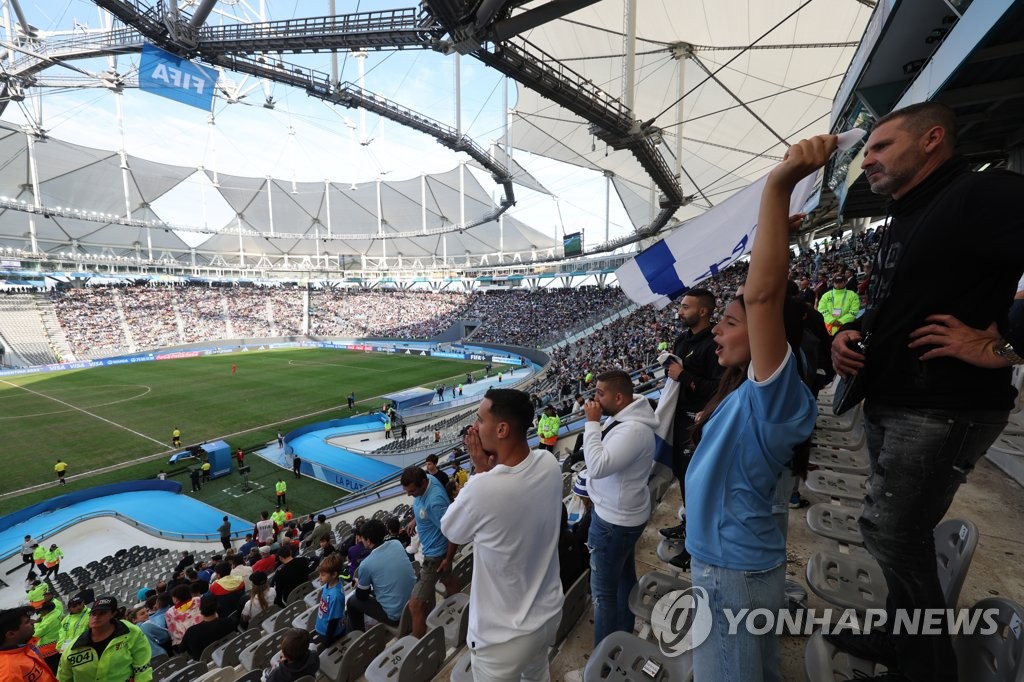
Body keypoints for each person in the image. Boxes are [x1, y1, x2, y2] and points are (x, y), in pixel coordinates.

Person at [828, 102, 1024, 682]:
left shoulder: (981, 196)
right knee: (902, 536)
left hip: (942, 406)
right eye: (867, 152)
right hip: (899, 400)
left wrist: (1004, 346)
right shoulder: (909, 212)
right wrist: (854, 332)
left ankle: (926, 666)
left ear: (933, 139)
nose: (868, 161)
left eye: (882, 147)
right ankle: (900, 636)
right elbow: (900, 296)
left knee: (888, 531)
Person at [683, 136, 827, 681]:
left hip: (731, 573)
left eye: (730, 322)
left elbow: (763, 295)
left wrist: (778, 185)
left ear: (771, 338)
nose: (716, 330)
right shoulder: (750, 391)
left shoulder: (776, 395)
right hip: (732, 563)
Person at [440, 388, 563, 681]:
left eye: (479, 419)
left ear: (502, 429)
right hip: (548, 615)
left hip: (503, 638)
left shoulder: (483, 488)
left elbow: (451, 528)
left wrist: (480, 470)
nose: (474, 428)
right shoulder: (548, 464)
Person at [581, 369, 657, 644]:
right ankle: (623, 638)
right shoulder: (626, 419)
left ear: (620, 397)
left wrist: (591, 423)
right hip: (623, 516)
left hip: (613, 523)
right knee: (624, 581)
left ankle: (603, 660)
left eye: (601, 393)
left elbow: (598, 466)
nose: (595, 398)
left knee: (603, 595)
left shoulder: (633, 430)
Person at [659, 286, 723, 546]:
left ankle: (698, 540)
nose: (680, 311)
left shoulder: (714, 343)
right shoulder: (684, 339)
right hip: (678, 418)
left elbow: (718, 388)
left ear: (703, 311)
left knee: (696, 481)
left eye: (686, 307)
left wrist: (682, 375)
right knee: (683, 477)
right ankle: (689, 527)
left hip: (698, 422)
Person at [400, 466, 458, 637]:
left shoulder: (435, 501)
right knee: (447, 579)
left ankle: (417, 645)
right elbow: (422, 507)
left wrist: (448, 558)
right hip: (435, 551)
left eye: (412, 491)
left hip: (435, 556)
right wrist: (415, 520)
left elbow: (452, 532)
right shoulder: (428, 480)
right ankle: (463, 608)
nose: (409, 495)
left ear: (423, 482)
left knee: (415, 604)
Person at [57, 596, 153, 682]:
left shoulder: (131, 632)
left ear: (113, 614)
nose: (96, 617)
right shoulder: (72, 648)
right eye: (93, 614)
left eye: (102, 613)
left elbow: (142, 667)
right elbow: (63, 678)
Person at [344, 519, 416, 632]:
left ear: (368, 541)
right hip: (414, 600)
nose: (360, 540)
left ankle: (360, 637)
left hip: (396, 616)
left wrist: (360, 585)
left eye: (362, 538)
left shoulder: (366, 565)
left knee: (352, 601)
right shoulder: (396, 544)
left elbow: (362, 597)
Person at [0, 606, 57, 682]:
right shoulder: (9, 672)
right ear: (11, 634)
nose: (33, 622)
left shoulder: (23, 647)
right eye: (27, 622)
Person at [180, 595, 235, 661]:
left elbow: (182, 649)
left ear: (200, 609)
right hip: (227, 654)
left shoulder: (191, 632)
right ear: (217, 607)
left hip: (206, 664)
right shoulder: (228, 621)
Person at [314, 554, 346, 647]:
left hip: (331, 632)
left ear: (334, 574)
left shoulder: (335, 596)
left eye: (323, 575)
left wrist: (328, 642)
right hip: (323, 623)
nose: (320, 577)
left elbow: (333, 622)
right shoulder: (329, 583)